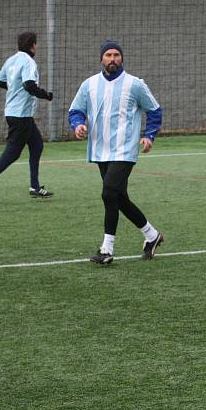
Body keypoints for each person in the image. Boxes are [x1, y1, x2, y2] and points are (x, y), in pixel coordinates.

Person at [68, 40, 164, 264]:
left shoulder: (135, 84)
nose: (112, 59)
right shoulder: (89, 85)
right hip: (100, 151)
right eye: (108, 55)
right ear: (101, 58)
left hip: (125, 149)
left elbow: (155, 110)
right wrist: (78, 125)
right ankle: (151, 235)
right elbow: (75, 110)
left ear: (122, 58)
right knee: (119, 198)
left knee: (108, 193)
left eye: (116, 55)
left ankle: (106, 249)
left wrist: (149, 136)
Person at [0, 31, 53, 205]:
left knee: (37, 145)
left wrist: (14, 89)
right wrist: (46, 95)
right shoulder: (28, 62)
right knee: (13, 152)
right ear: (32, 45)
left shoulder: (11, 60)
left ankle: (34, 186)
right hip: (21, 115)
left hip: (14, 112)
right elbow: (29, 85)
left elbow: (0, 81)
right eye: (36, 44)